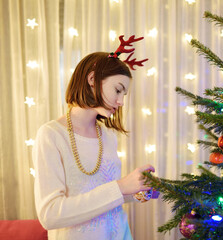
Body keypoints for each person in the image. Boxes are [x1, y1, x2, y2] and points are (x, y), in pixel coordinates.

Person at [32, 36, 156, 240]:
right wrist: (122, 186)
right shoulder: (51, 135)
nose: (121, 101)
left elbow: (107, 197)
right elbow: (50, 215)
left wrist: (139, 191)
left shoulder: (108, 136)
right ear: (92, 80)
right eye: (118, 90)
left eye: (124, 94)